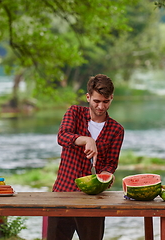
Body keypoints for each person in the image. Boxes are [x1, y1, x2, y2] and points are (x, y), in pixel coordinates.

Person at [47, 74, 125, 240]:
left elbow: (110, 163)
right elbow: (62, 136)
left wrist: (107, 175)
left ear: (111, 98)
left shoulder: (116, 130)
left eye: (106, 101)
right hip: (63, 192)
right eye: (96, 101)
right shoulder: (74, 112)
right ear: (88, 97)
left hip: (94, 200)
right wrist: (86, 140)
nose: (101, 106)